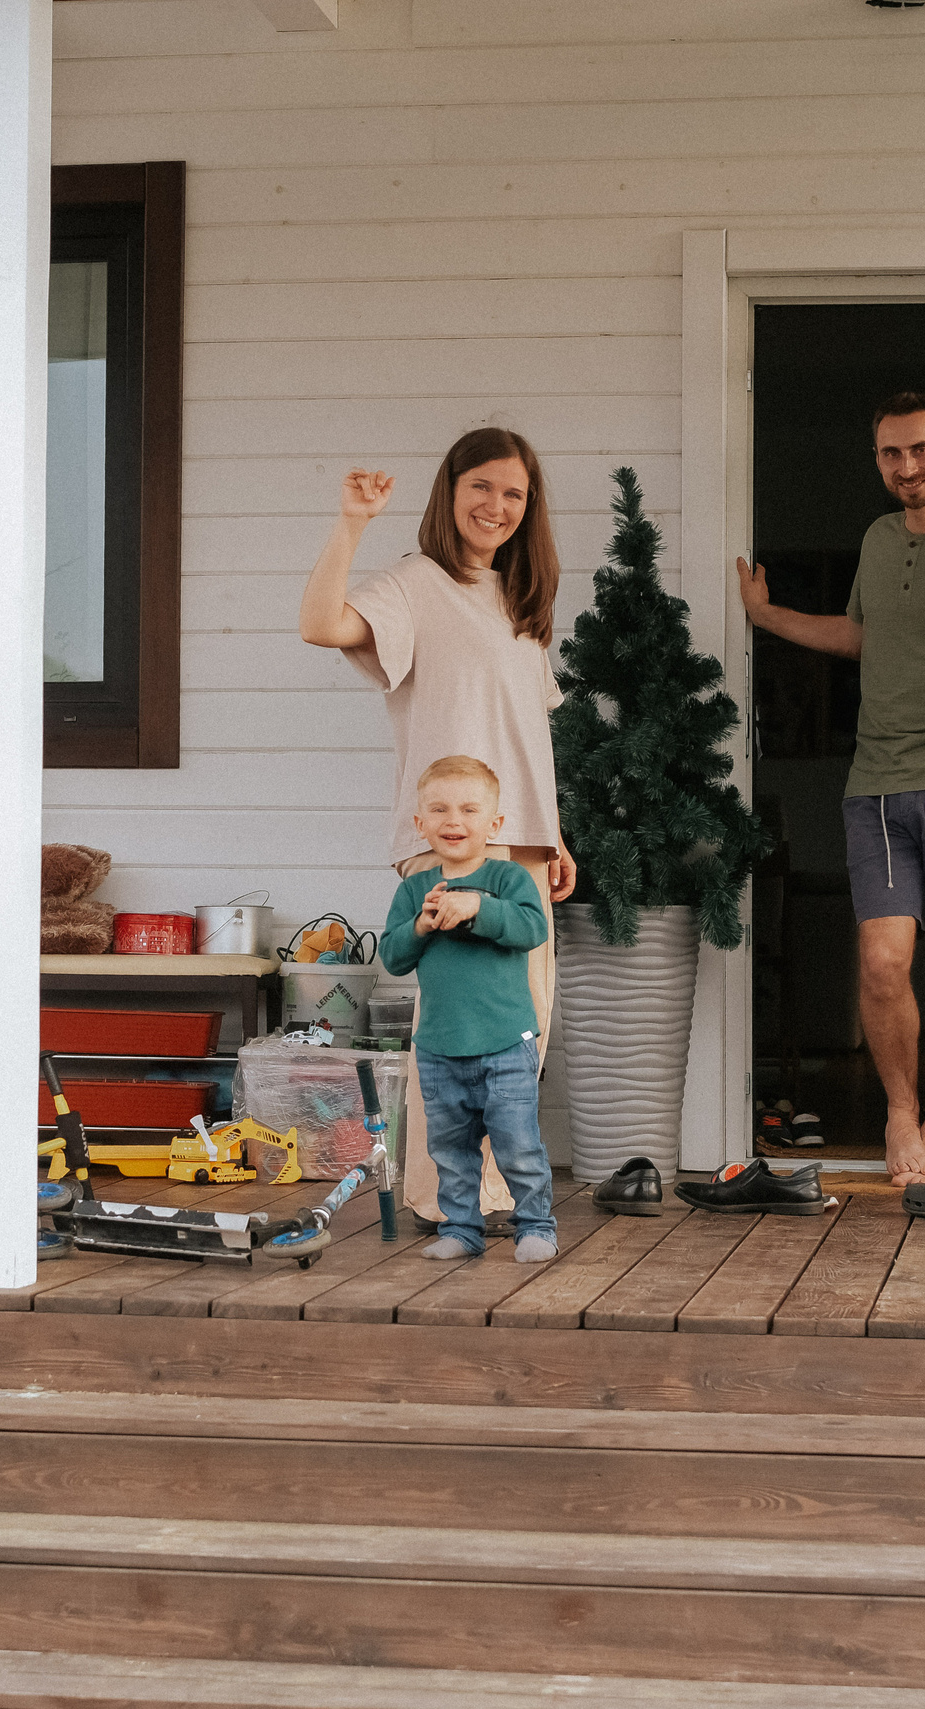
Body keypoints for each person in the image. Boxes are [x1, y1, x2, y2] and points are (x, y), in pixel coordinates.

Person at [736, 392, 925, 1188]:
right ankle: (899, 1111)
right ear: (877, 461)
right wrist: (768, 617)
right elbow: (863, 636)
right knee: (882, 962)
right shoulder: (878, 540)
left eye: (919, 450)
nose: (906, 467)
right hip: (875, 784)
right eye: (890, 454)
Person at [298, 426, 574, 1227]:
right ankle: (438, 1198)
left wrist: (556, 836)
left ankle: (485, 1198)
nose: (496, 505)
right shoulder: (415, 583)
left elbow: (527, 734)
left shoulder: (522, 604)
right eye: (481, 486)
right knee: (456, 1035)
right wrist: (351, 523)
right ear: (451, 490)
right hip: (451, 846)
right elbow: (322, 625)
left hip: (523, 845)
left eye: (513, 493)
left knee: (521, 1034)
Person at [379, 756, 556, 1261]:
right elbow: (393, 957)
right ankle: (460, 1230)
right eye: (438, 809)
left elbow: (531, 930)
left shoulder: (509, 879)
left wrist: (478, 908)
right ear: (420, 824)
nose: (453, 821)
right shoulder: (415, 889)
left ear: (494, 824)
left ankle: (536, 1228)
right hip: (439, 1048)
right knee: (450, 1153)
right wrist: (421, 924)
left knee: (517, 1147)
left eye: (469, 809)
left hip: (506, 1042)